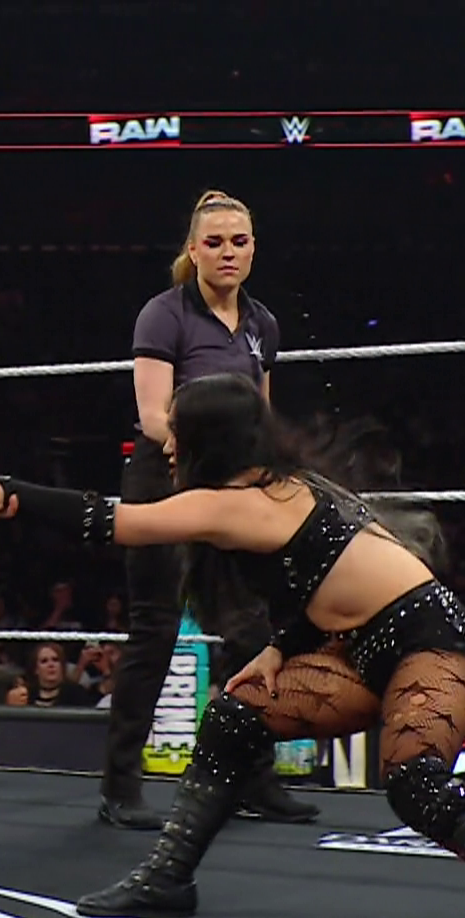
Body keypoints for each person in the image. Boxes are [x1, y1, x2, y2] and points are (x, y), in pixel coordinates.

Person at [0, 373, 465, 918]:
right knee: (235, 716)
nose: (168, 443)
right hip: (359, 649)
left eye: (178, 430)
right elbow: (339, 583)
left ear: (209, 438)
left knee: (415, 783)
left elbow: (112, 521)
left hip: (435, 646)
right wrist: (286, 647)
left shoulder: (241, 501)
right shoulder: (276, 488)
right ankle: (169, 876)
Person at [102, 188, 315, 830]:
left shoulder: (261, 324)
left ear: (253, 249)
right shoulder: (163, 314)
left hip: (233, 490)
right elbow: (152, 414)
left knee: (252, 631)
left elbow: (260, 414)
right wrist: (200, 461)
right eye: (215, 242)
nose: (228, 252)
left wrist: (268, 478)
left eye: (239, 241)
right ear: (193, 250)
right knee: (155, 630)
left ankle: (253, 777)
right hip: (165, 479)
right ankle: (120, 787)